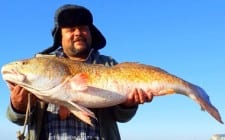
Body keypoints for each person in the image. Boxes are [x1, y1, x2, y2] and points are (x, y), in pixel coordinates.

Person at [6, 4, 153, 140]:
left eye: (83, 28)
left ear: (90, 33)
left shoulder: (109, 64)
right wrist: (18, 106)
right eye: (70, 29)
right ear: (60, 37)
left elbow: (121, 117)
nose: (77, 33)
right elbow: (17, 119)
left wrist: (127, 105)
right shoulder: (42, 66)